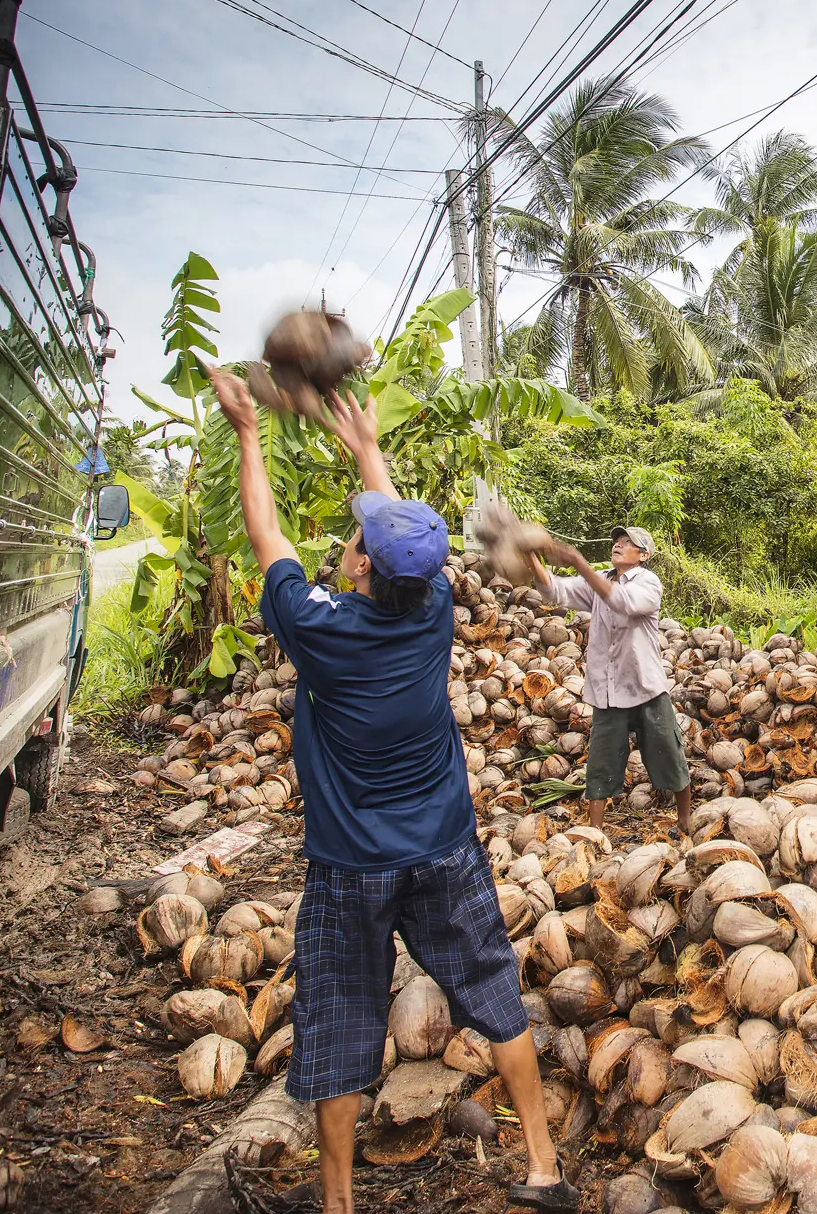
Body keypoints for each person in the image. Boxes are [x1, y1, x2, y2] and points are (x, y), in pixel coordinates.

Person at [202, 361, 577, 1214]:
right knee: (496, 998)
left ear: (362, 564)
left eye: (357, 538)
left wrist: (248, 431)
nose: (351, 541)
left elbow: (265, 534)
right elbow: (409, 543)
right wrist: (368, 448)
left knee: (340, 1029)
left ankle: (339, 1205)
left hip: (351, 868)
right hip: (444, 848)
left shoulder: (318, 627)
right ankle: (544, 1169)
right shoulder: (433, 608)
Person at [533, 527, 693, 837]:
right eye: (617, 542)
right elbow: (555, 591)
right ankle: (595, 832)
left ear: (643, 555)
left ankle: (685, 820)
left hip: (645, 687)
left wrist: (578, 562)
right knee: (602, 763)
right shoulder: (600, 580)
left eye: (627, 543)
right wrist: (530, 556)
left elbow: (622, 601)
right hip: (606, 691)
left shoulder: (648, 582)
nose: (618, 545)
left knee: (668, 753)